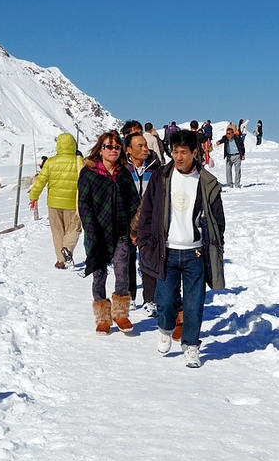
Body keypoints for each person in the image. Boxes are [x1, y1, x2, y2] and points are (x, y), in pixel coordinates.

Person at [138, 129, 225, 368]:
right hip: (166, 250)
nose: (178, 157)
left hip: (194, 252)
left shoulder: (206, 182)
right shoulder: (161, 177)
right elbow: (147, 211)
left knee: (194, 303)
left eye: (183, 152)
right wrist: (144, 242)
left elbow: (218, 219)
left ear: (195, 153)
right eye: (174, 152)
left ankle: (191, 346)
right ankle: (166, 328)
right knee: (164, 301)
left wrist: (217, 246)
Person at [78, 130, 141, 335]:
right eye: (108, 146)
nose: (113, 150)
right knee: (99, 273)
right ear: (100, 149)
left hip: (121, 230)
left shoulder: (123, 173)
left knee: (122, 270)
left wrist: (135, 227)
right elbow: (84, 204)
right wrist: (90, 228)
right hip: (97, 231)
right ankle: (102, 317)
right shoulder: (89, 173)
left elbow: (134, 202)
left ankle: (121, 314)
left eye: (116, 147)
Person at [28, 133, 83, 269]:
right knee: (74, 228)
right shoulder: (79, 161)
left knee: (57, 231)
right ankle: (68, 248)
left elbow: (40, 181)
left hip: (54, 203)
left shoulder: (50, 162)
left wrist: (34, 196)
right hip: (73, 203)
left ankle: (60, 260)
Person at [124, 132, 162, 316]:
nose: (145, 149)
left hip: (149, 220)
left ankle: (150, 299)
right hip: (126, 220)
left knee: (148, 260)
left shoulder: (155, 167)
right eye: (140, 146)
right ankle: (131, 295)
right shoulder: (123, 169)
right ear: (129, 150)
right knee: (128, 260)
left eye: (146, 145)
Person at [216, 122, 246, 188]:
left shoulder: (237, 138)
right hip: (229, 156)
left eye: (229, 134)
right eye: (227, 133)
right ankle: (230, 185)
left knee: (237, 171)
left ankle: (237, 185)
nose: (228, 135)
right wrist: (219, 142)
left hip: (237, 156)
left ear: (233, 133)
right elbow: (222, 140)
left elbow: (242, 147)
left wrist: (243, 154)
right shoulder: (225, 137)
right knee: (228, 171)